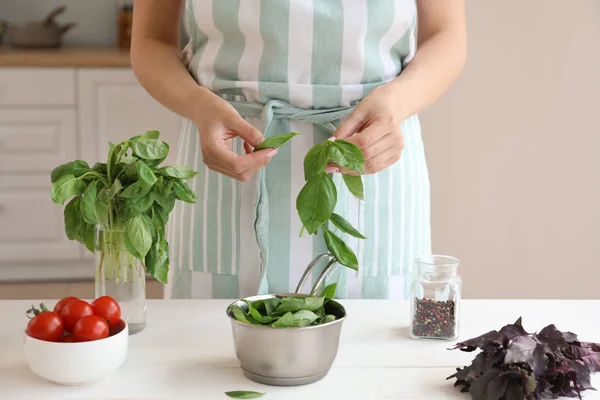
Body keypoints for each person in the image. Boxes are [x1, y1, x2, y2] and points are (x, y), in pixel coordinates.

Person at [131, 0, 466, 300]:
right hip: (227, 162)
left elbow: (446, 35)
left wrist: (397, 101)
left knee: (375, 353)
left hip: (372, 156)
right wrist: (198, 105)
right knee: (210, 354)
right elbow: (151, 41)